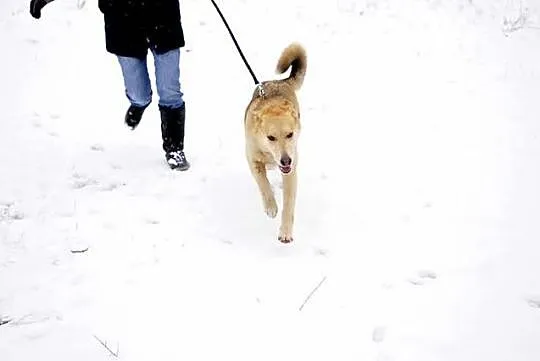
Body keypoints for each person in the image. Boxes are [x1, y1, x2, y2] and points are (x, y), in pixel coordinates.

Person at [30, 0, 190, 171]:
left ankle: (174, 149)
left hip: (163, 16)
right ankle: (139, 103)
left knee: (170, 91)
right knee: (139, 92)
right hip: (123, 19)